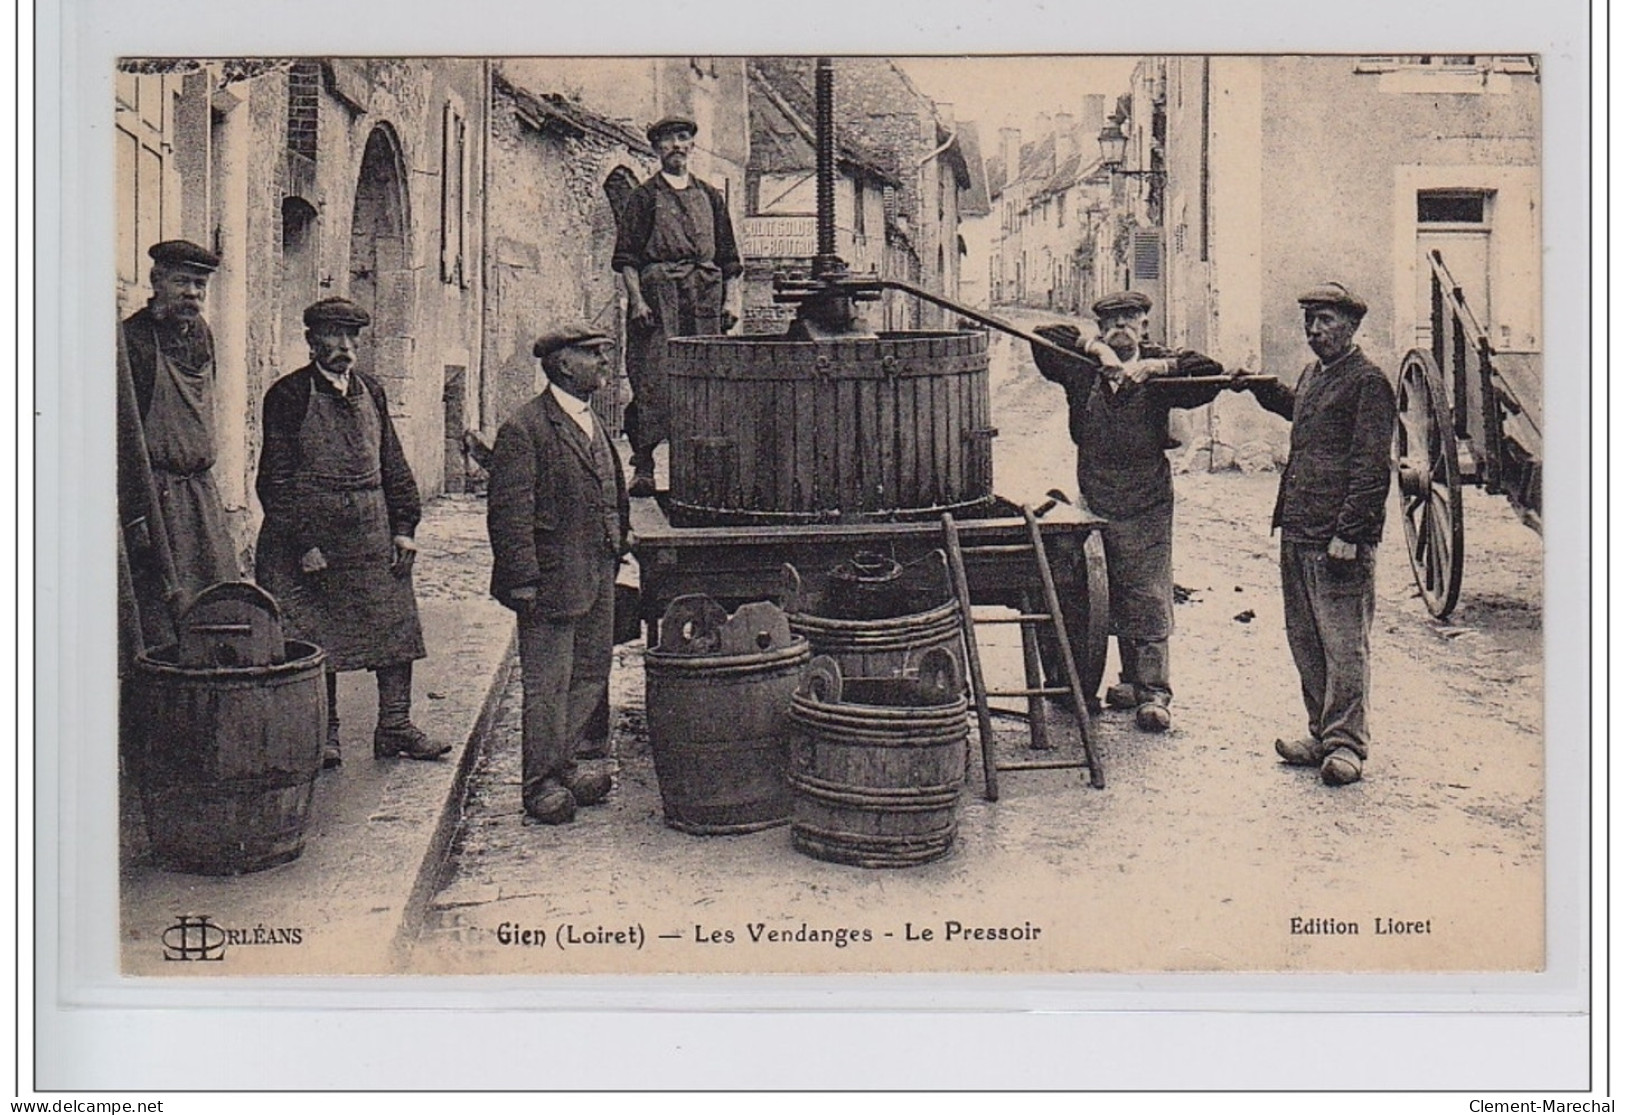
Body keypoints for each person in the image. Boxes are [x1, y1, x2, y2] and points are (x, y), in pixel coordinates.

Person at [255, 297, 448, 769]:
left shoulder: (372, 390)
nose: (344, 346)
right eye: (333, 336)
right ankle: (326, 734)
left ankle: (395, 726)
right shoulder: (288, 395)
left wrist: (404, 527)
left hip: (370, 528)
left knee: (394, 625)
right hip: (311, 535)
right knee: (317, 631)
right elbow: (273, 480)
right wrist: (303, 543)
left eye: (351, 337)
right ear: (311, 341)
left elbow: (394, 464)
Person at [1031, 290, 1229, 732]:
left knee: (1148, 589)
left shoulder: (1158, 367)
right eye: (1112, 321)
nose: (1121, 327)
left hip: (1147, 498)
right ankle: (1126, 682)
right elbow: (1043, 336)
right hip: (1095, 495)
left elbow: (1211, 374)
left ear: (1143, 325)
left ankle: (1154, 693)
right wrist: (1095, 350)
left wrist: (1159, 367)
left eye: (1130, 319)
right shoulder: (1082, 368)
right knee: (1099, 585)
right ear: (1101, 326)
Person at [1242, 282, 1396, 786]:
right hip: (1298, 527)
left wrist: (1349, 533)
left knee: (1344, 643)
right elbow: (1302, 414)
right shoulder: (1314, 374)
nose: (1314, 330)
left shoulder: (1369, 382)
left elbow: (1372, 467)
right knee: (1305, 638)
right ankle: (1319, 732)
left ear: (1350, 326)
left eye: (1325, 320)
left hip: (1337, 536)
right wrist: (1265, 389)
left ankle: (1347, 745)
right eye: (1310, 321)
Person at [486, 325, 631, 824]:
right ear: (563, 364)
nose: (604, 363)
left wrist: (619, 537)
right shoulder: (525, 429)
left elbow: (609, 485)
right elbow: (509, 515)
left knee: (589, 675)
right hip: (548, 581)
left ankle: (564, 764)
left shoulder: (592, 421)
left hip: (596, 570)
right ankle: (539, 783)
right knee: (547, 685)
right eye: (593, 355)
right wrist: (522, 580)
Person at [611, 115, 743, 497]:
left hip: (704, 294)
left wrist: (730, 299)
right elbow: (627, 258)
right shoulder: (645, 196)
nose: (677, 146)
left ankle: (704, 466)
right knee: (653, 378)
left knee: (707, 377)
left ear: (692, 146)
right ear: (656, 149)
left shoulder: (710, 195)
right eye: (668, 141)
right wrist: (637, 301)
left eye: (683, 138)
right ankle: (645, 464)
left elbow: (729, 258)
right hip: (658, 298)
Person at [120, 240, 240, 644]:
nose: (193, 294)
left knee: (215, 604)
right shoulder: (132, 341)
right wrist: (135, 514)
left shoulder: (201, 335)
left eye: (200, 285)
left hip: (200, 496)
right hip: (156, 497)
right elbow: (118, 438)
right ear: (157, 281)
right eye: (182, 282)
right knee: (160, 614)